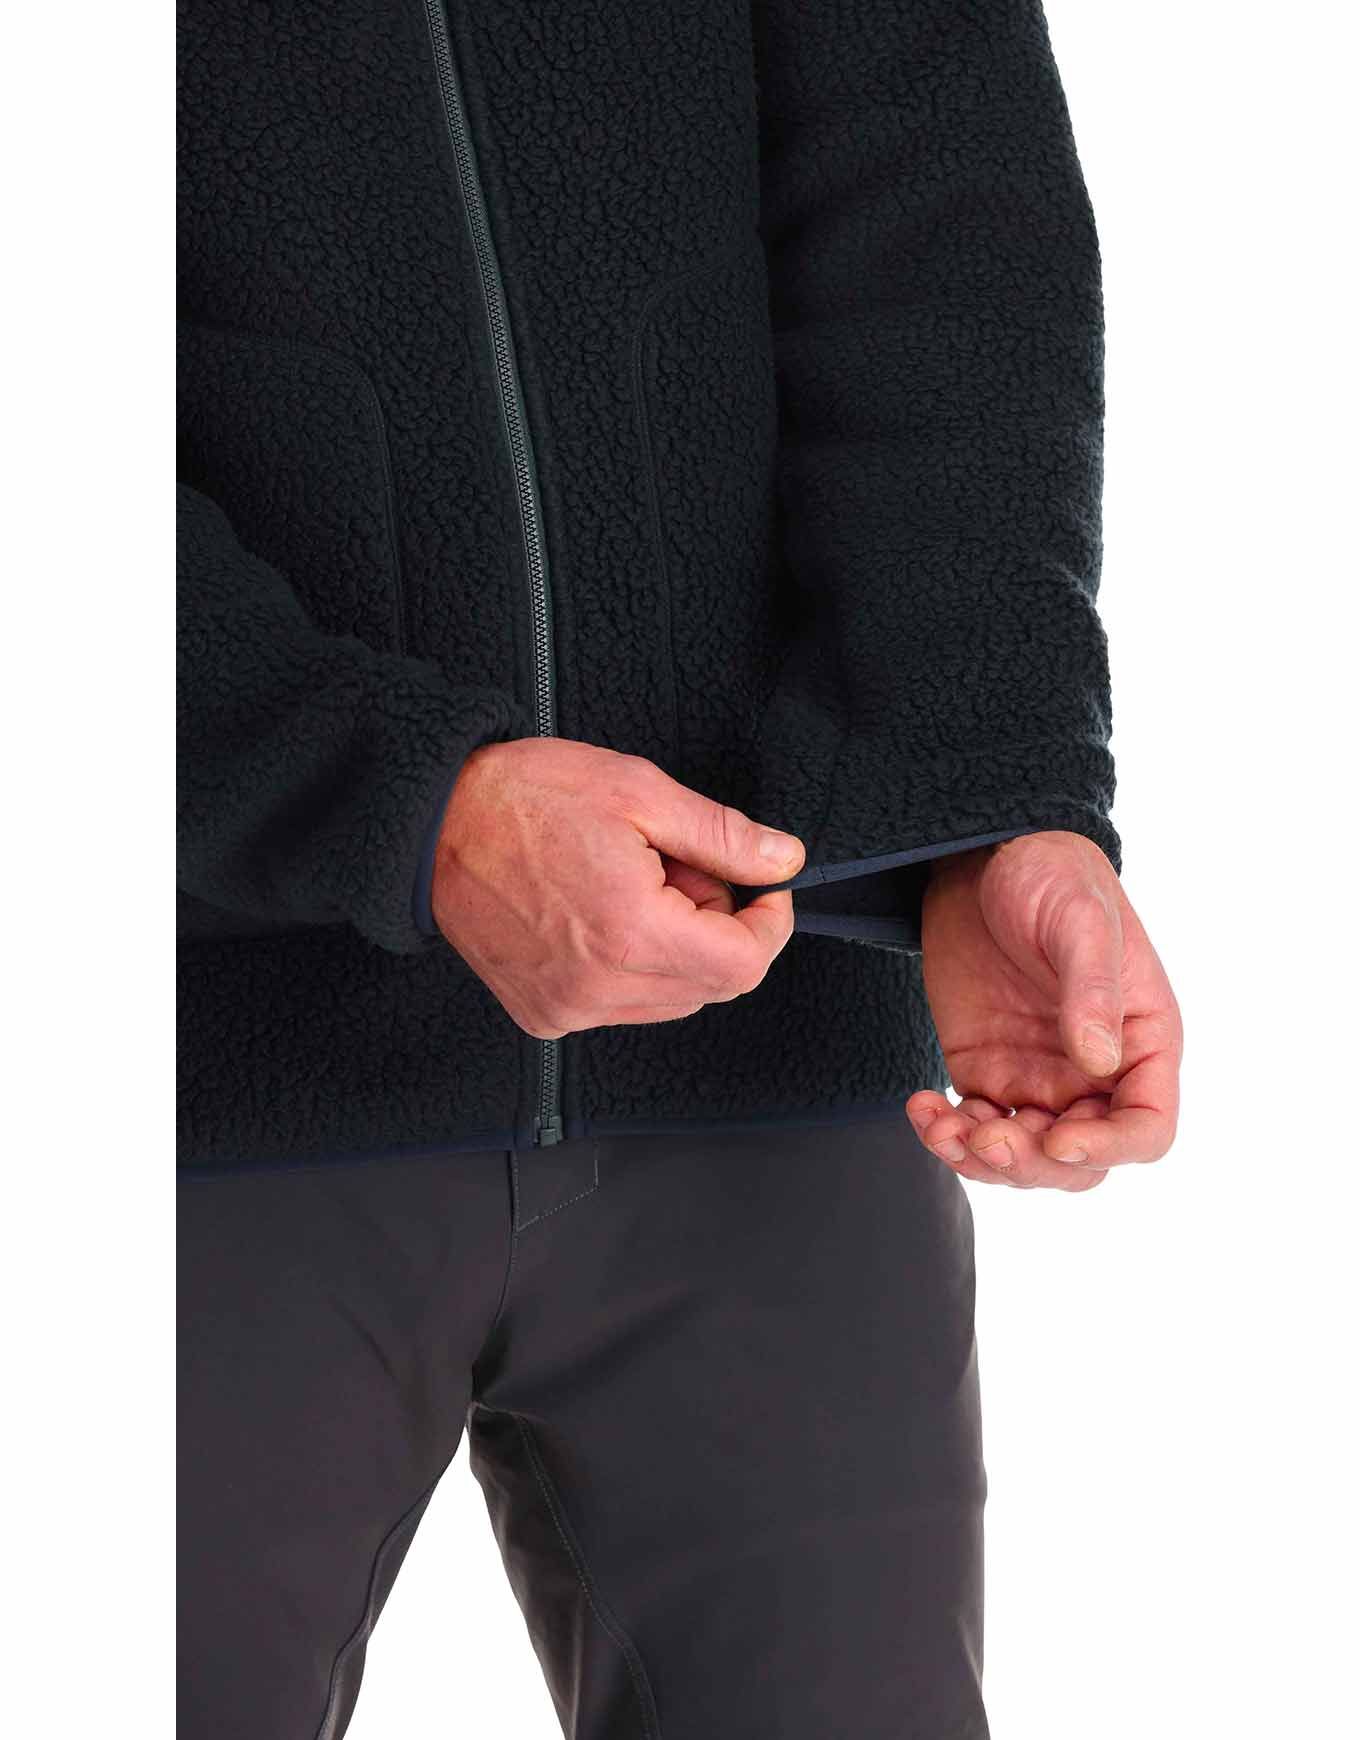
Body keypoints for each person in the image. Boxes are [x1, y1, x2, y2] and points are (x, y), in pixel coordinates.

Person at [177, 2, 1183, 1735]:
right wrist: (393, 800)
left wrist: (985, 801)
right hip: (173, 1092)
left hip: (773, 1057)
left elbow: (945, 205)